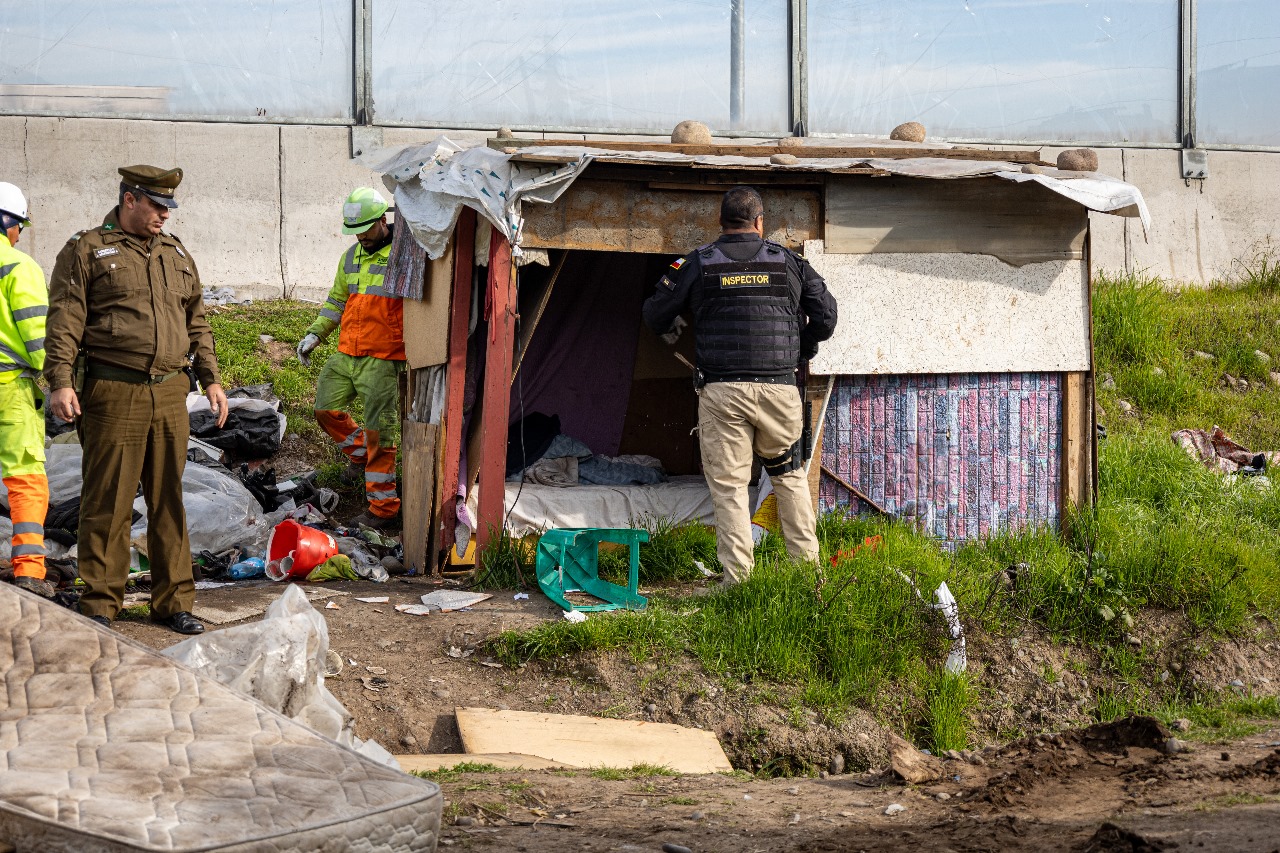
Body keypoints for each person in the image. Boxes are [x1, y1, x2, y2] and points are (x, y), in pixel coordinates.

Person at [45, 165, 226, 634]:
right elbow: (65, 320)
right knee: (109, 498)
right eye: (157, 205)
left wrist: (211, 379)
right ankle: (101, 603)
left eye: (168, 207)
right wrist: (61, 381)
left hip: (169, 391)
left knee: (170, 499)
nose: (165, 215)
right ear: (130, 200)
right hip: (112, 390)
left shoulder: (176, 252)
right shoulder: (87, 250)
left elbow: (197, 322)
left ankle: (173, 603)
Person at [642, 185, 838, 585]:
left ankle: (738, 584)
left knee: (730, 489)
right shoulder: (789, 262)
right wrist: (804, 346)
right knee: (788, 476)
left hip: (722, 394)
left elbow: (655, 313)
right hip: (779, 392)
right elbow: (827, 316)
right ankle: (806, 576)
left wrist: (680, 327)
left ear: (720, 222)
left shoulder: (698, 263)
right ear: (760, 222)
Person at [296, 187, 404, 530]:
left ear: (382, 221)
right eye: (355, 230)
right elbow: (336, 301)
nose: (361, 236)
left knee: (380, 433)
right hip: (347, 352)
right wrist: (316, 334)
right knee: (324, 409)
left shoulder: (404, 256)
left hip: (383, 356)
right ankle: (360, 456)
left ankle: (384, 510)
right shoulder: (349, 257)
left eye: (366, 229)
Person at [0, 182, 53, 598]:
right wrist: (59, 383)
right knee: (26, 479)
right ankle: (30, 572)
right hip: (9, 389)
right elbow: (40, 342)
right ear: (10, 224)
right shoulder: (19, 267)